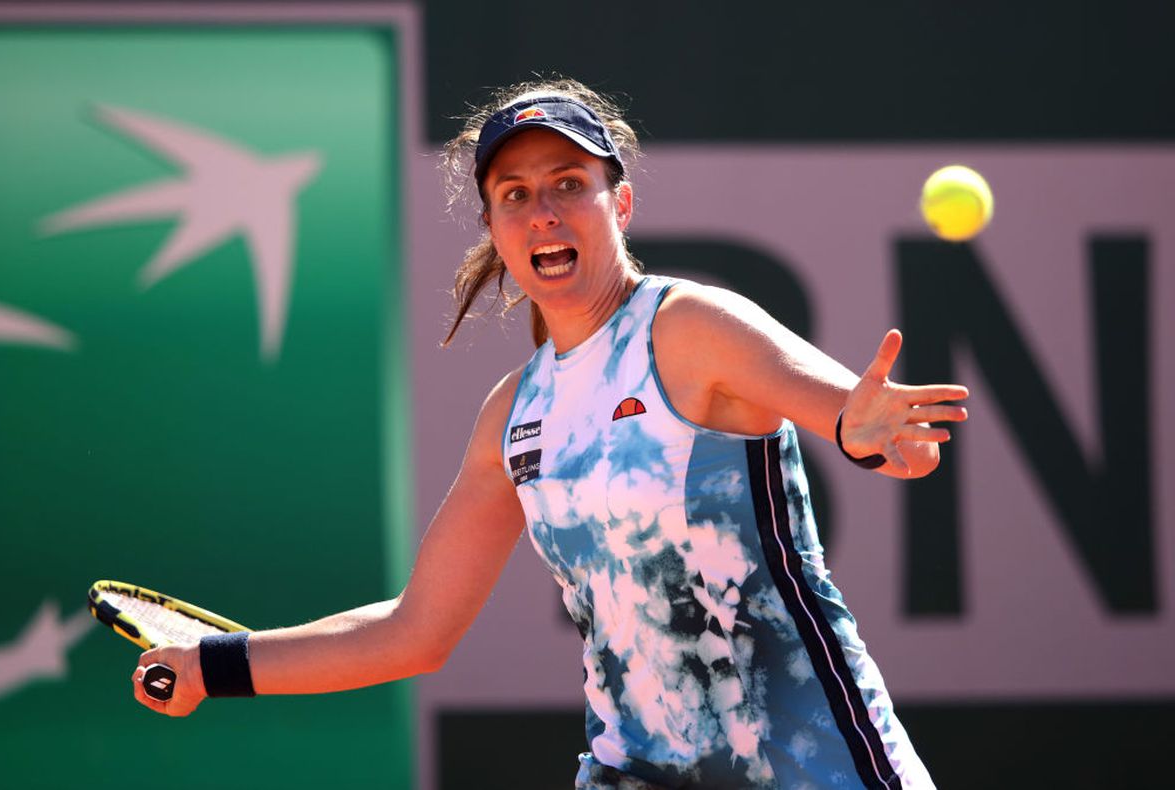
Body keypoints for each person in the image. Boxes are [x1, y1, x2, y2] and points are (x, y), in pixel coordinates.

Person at [134, 78, 968, 789]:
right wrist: (215, 667)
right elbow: (415, 632)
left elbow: (865, 423)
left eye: (570, 184)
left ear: (620, 203)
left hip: (813, 766)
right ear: (494, 227)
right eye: (515, 195)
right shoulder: (513, 414)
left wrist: (876, 432)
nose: (544, 213)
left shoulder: (692, 326)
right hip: (631, 771)